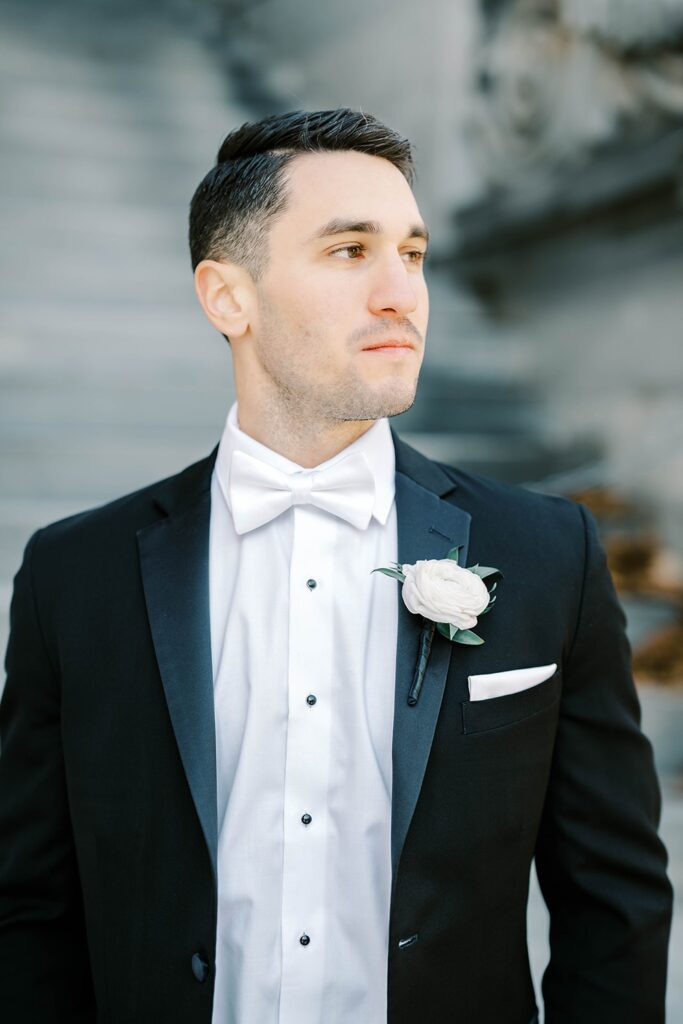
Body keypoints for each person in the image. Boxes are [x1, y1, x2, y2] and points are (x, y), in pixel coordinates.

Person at [0, 108, 673, 1024]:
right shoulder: (72, 576)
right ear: (226, 297)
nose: (401, 292)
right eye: (350, 252)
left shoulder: (547, 553)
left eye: (413, 252)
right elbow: (29, 906)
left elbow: (615, 900)